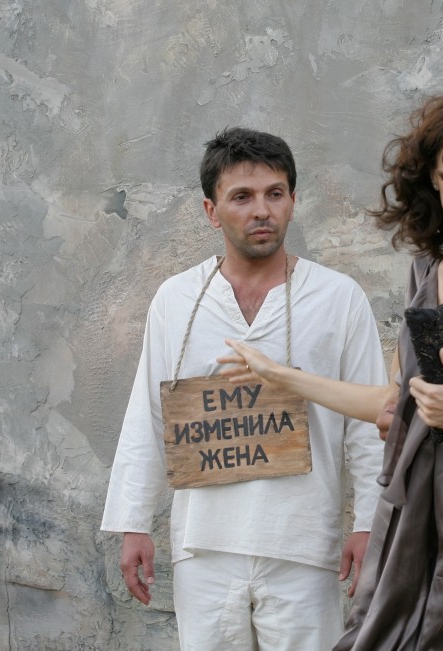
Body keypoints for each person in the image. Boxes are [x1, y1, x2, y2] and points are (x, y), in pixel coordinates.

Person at [219, 88, 443, 649]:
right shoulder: (426, 273)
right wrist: (281, 376)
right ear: (433, 178)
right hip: (416, 511)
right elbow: (394, 402)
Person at [100, 127, 387, 651]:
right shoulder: (176, 299)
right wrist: (133, 523)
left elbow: (369, 424)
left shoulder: (337, 297)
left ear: (293, 202)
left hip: (303, 544)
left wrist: (369, 524)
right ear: (212, 212)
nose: (261, 211)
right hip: (204, 546)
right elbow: (148, 415)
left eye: (275, 194)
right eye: (242, 197)